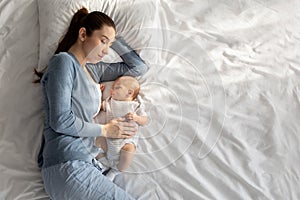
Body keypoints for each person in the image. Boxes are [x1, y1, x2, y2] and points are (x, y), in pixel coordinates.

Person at [35, 7, 148, 200]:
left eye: (109, 45)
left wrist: (113, 38)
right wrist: (105, 130)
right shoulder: (63, 62)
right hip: (67, 164)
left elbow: (138, 67)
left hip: (82, 164)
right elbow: (60, 121)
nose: (105, 51)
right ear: (83, 34)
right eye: (102, 41)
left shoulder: (94, 71)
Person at [94, 76, 148, 181]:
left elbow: (145, 120)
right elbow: (96, 107)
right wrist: (98, 93)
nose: (111, 90)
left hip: (126, 140)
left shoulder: (135, 105)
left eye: (117, 88)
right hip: (109, 137)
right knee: (97, 141)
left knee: (130, 150)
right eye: (112, 88)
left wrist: (136, 118)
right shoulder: (110, 102)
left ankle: (115, 171)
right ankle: (103, 163)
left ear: (129, 92)